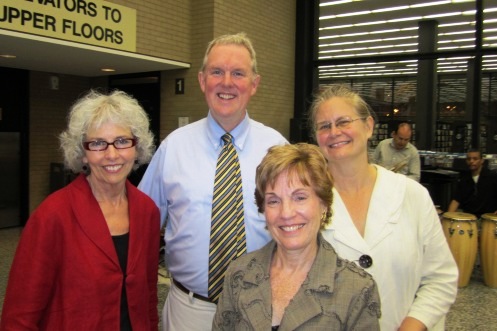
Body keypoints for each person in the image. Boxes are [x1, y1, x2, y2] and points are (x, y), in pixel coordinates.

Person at [138, 32, 287, 330]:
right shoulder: (173, 148)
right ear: (202, 80)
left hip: (261, 307)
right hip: (189, 309)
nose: (227, 82)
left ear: (254, 84)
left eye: (238, 73)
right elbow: (144, 223)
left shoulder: (279, 149)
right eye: (217, 71)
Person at [0, 90, 160, 330]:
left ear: (136, 148)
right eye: (97, 143)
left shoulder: (147, 211)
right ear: (83, 154)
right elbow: (20, 314)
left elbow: (148, 295)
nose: (112, 154)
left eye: (122, 141)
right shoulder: (52, 216)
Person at [308, 84, 458, 331]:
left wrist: (412, 326)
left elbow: (440, 278)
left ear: (368, 127)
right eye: (324, 126)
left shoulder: (413, 196)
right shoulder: (307, 201)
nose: (334, 132)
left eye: (344, 121)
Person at [212, 143, 381, 330]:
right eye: (274, 201)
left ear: (323, 205)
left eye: (299, 197)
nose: (286, 213)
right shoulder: (239, 273)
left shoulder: (357, 289)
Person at [447, 149, 497, 217]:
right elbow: (456, 200)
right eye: (469, 159)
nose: (471, 161)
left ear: (482, 160)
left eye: (475, 159)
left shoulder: (492, 177)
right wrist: (448, 217)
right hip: (469, 218)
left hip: (487, 218)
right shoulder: (464, 179)